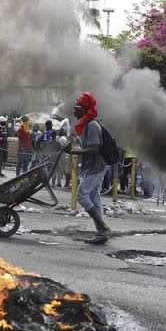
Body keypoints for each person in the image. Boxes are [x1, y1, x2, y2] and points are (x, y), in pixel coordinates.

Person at [62, 91, 111, 245]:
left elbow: (94, 148)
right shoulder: (87, 125)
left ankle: (103, 227)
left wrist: (74, 151)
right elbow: (88, 145)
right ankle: (101, 233)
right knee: (94, 198)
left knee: (82, 196)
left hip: (96, 167)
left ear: (84, 108)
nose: (73, 109)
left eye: (76, 106)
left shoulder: (92, 125)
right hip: (93, 166)